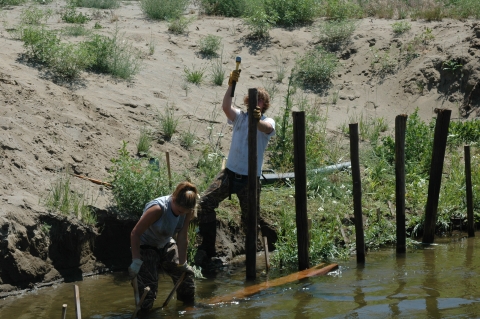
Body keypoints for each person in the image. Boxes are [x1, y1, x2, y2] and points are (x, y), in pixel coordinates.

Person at [197, 69, 276, 258]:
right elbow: (226, 106)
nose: (257, 102)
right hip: (230, 174)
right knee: (205, 203)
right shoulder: (240, 117)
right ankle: (208, 249)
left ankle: (252, 256)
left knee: (250, 220)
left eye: (261, 100)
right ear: (248, 101)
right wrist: (231, 84)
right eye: (254, 99)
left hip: (250, 180)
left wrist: (257, 120)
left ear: (264, 105)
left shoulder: (267, 121)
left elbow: (266, 128)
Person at [128, 181, 198, 311]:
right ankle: (144, 314)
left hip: (165, 243)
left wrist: (183, 264)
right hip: (146, 245)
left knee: (186, 279)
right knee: (148, 291)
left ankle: (187, 310)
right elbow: (135, 233)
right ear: (174, 199)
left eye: (185, 212)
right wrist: (136, 261)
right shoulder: (158, 209)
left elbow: (182, 237)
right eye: (179, 211)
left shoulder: (187, 211)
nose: (182, 214)